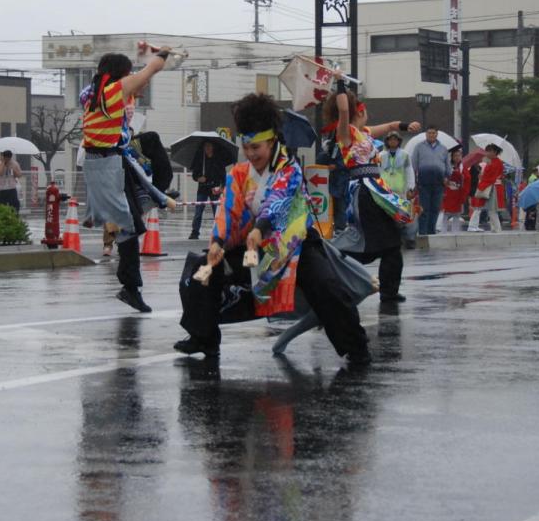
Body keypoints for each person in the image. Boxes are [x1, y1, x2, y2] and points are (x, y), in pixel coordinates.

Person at [174, 92, 372, 362]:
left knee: (327, 288)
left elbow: (278, 200)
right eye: (247, 147)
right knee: (200, 273)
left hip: (296, 244)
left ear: (272, 141)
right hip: (257, 245)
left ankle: (356, 348)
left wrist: (260, 227)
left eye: (257, 147)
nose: (251, 153)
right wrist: (218, 243)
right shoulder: (239, 175)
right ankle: (205, 339)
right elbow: (228, 210)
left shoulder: (289, 169)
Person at [81, 49, 171, 313]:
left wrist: (146, 63)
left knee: (130, 225)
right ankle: (130, 288)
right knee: (129, 228)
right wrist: (159, 58)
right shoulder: (111, 91)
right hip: (107, 164)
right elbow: (148, 72)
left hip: (112, 161)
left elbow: (140, 82)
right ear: (120, 74)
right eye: (127, 72)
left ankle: (130, 287)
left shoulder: (95, 92)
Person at [323, 75, 420, 303]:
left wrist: (408, 126)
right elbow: (344, 111)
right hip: (364, 193)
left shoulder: (364, 132)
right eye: (363, 111)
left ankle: (389, 291)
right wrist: (340, 85)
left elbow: (391, 126)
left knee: (392, 243)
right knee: (375, 241)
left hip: (377, 189)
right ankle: (332, 259)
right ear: (358, 111)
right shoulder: (344, 133)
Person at [411, 126, 449, 235]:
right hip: (423, 182)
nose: (431, 135)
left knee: (435, 208)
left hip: (439, 182)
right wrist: (413, 181)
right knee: (424, 209)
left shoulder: (443, 148)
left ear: (437, 134)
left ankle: (432, 231)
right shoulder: (419, 147)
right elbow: (414, 165)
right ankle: (423, 232)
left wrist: (447, 177)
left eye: (433, 133)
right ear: (426, 134)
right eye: (429, 133)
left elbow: (447, 166)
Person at [189, 141, 227, 240]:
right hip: (202, 188)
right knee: (198, 211)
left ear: (213, 147)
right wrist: (198, 178)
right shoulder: (200, 159)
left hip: (215, 188)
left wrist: (222, 187)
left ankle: (219, 231)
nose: (208, 148)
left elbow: (223, 175)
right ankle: (195, 232)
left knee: (217, 211)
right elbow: (194, 175)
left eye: (210, 146)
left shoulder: (218, 160)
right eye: (206, 146)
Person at [468, 144, 506, 233]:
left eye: (489, 151)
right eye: (487, 151)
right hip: (490, 186)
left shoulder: (496, 162)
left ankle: (496, 228)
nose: (487, 153)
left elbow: (491, 177)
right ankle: (495, 228)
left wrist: (482, 178)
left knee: (490, 209)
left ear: (494, 152)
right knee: (489, 209)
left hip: (491, 187)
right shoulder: (494, 162)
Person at [442, 146, 470, 232]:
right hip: (449, 192)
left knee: (457, 214)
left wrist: (461, 176)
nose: (457, 157)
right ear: (452, 157)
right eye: (455, 156)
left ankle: (455, 231)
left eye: (459, 155)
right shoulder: (447, 166)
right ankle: (443, 230)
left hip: (458, 193)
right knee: (445, 212)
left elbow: (468, 178)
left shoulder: (463, 167)